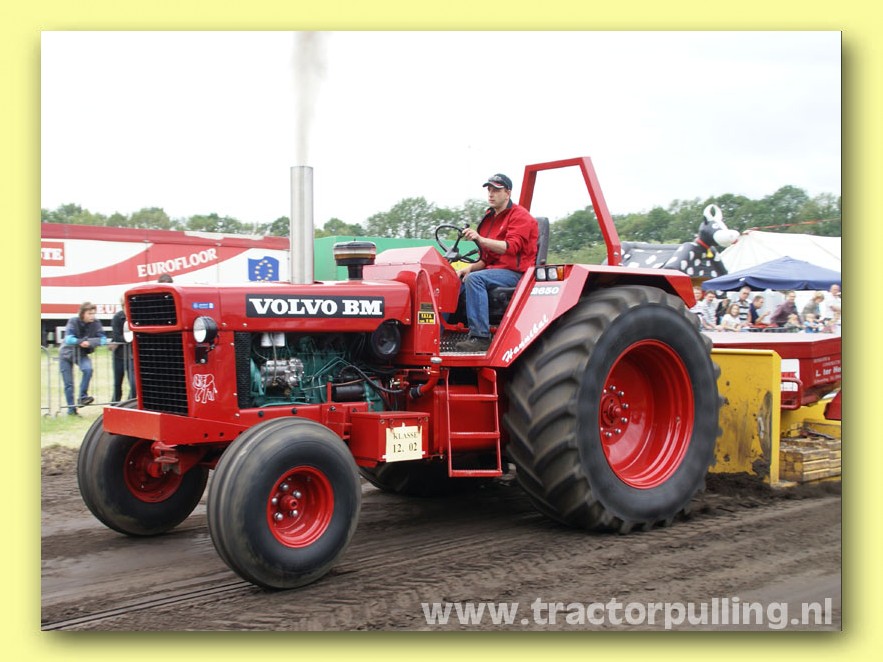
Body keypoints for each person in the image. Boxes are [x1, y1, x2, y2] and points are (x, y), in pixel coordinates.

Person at [453, 173, 538, 353]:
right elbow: (486, 259)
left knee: (475, 279)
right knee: (452, 280)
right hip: (493, 271)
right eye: (489, 190)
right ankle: (437, 333)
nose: (491, 194)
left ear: (508, 193)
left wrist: (480, 239)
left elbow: (511, 247)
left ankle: (481, 337)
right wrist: (469, 268)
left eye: (497, 190)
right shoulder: (489, 218)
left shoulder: (520, 216)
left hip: (516, 274)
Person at [59, 301, 107, 415]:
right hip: (66, 353)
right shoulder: (73, 321)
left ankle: (82, 396)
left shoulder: (96, 323)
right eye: (89, 313)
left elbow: (103, 339)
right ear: (82, 313)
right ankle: (71, 410)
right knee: (68, 384)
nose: (92, 316)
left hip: (81, 353)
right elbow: (68, 339)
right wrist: (81, 342)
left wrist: (89, 342)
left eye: (93, 313)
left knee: (88, 369)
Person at [110, 297, 136, 404]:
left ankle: (129, 404)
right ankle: (114, 406)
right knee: (117, 384)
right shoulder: (117, 318)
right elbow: (117, 337)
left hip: (132, 356)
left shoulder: (135, 317)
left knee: (134, 385)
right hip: (119, 356)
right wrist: (131, 338)